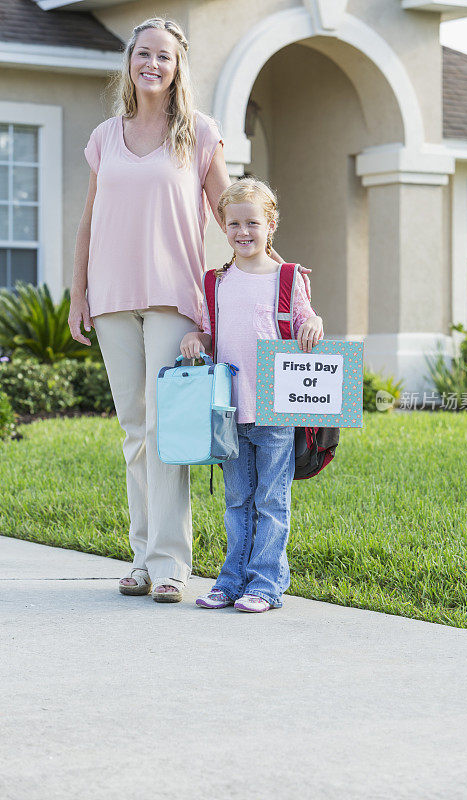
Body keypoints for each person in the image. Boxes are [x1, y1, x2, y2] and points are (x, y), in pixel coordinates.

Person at [68, 18, 235, 602]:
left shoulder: (200, 134)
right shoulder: (105, 136)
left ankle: (171, 565)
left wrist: (276, 271)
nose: (153, 65)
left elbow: (228, 210)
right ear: (130, 62)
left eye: (164, 57)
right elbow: (90, 219)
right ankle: (141, 558)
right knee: (133, 431)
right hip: (112, 299)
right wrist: (78, 293)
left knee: (169, 430)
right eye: (144, 54)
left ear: (178, 66)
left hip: (173, 299)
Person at [180, 178, 323, 612]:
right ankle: (231, 579)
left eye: (253, 223)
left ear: (271, 225)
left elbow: (305, 320)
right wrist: (196, 338)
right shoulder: (215, 282)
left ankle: (266, 584)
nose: (244, 231)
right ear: (223, 226)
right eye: (234, 223)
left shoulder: (287, 277)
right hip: (230, 411)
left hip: (275, 411)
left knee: (271, 500)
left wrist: (313, 324)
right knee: (237, 500)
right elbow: (209, 331)